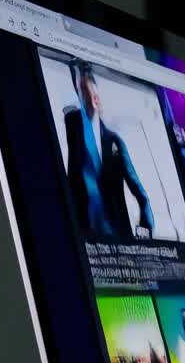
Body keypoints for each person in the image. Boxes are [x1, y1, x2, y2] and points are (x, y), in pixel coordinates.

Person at [63, 60, 154, 240]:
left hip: (115, 233)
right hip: (85, 233)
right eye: (79, 92)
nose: (81, 98)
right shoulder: (74, 128)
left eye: (84, 92)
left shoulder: (115, 142)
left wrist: (146, 229)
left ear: (96, 99)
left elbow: (140, 192)